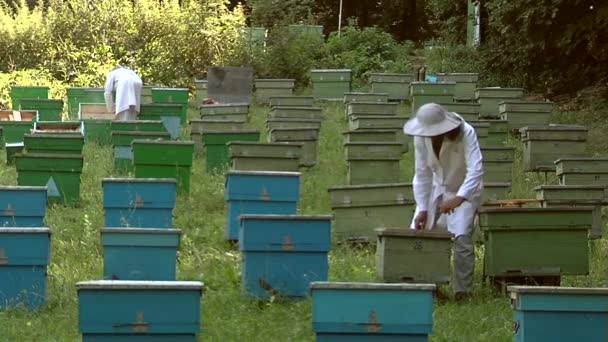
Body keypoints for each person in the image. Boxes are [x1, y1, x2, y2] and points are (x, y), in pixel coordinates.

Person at [403, 103, 483, 301]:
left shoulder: (466, 132)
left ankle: (462, 292)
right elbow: (422, 173)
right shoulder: (420, 138)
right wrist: (422, 208)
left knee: (462, 237)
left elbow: (476, 169)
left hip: (464, 189)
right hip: (437, 188)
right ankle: (428, 286)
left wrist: (459, 198)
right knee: (421, 233)